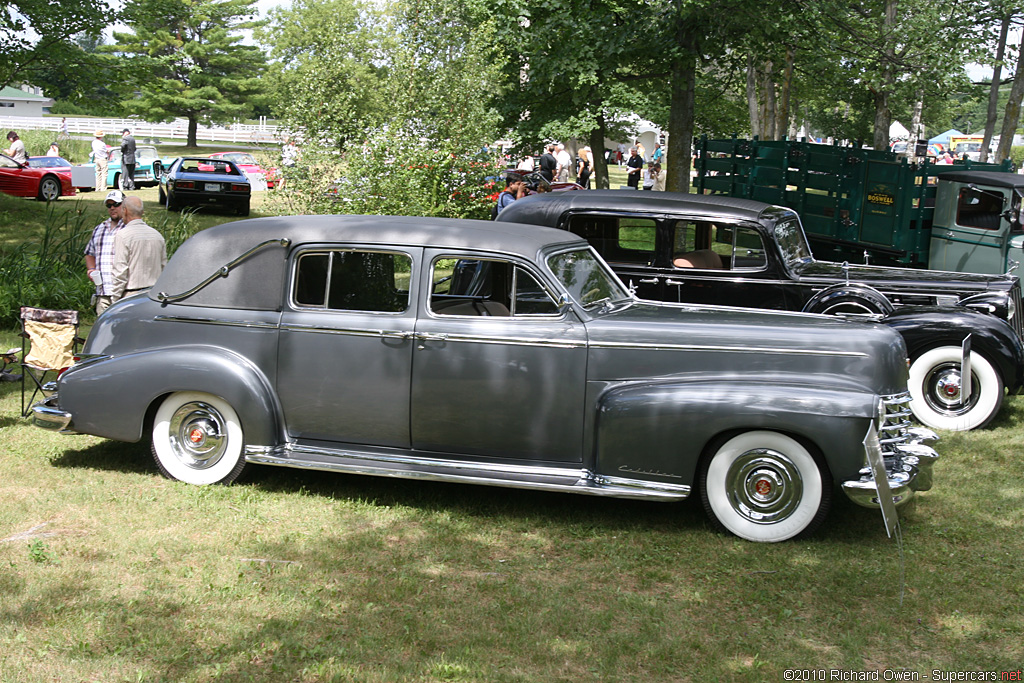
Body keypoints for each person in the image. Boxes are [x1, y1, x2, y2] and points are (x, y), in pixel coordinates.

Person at [110, 196, 167, 304]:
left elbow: (120, 272)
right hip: (154, 295)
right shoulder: (157, 235)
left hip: (131, 296)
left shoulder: (123, 235)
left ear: (125, 211)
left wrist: (115, 300)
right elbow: (164, 267)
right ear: (142, 212)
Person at [84, 190, 127, 314]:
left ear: (124, 205)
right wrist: (91, 269)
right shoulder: (99, 228)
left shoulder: (129, 227)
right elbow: (89, 253)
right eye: (109, 205)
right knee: (103, 330)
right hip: (103, 292)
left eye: (116, 204)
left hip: (123, 292)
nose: (112, 208)